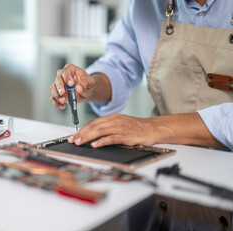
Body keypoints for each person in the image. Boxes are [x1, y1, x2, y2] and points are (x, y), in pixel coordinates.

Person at [50, 0, 233, 151]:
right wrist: (91, 85)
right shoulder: (144, 5)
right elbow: (121, 64)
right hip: (167, 151)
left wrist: (153, 127)